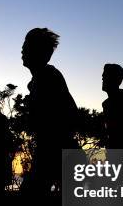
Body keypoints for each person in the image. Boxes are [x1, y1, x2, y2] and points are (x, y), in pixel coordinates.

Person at [20, 28, 80, 195]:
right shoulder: (41, 78)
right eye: (24, 45)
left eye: (28, 46)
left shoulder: (49, 77)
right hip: (52, 152)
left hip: (56, 153)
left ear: (42, 53)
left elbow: (71, 115)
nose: (23, 50)